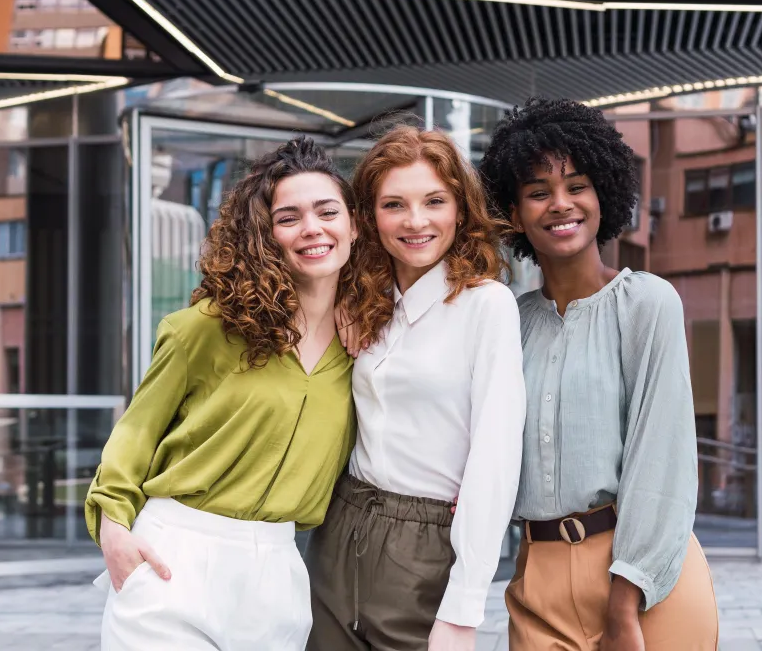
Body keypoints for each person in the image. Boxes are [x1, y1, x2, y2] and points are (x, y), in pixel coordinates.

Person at [85, 138, 359, 651]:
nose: (312, 228)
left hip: (277, 573)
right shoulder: (205, 329)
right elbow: (137, 432)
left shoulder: (366, 343)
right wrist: (112, 527)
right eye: (288, 218)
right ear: (265, 234)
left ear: (354, 225)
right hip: (176, 556)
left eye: (327, 212)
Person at [478, 98, 719, 651]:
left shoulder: (647, 304)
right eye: (538, 191)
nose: (560, 204)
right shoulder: (507, 322)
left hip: (643, 581)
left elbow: (662, 461)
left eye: (577, 186)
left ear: (602, 194)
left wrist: (624, 601)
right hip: (537, 580)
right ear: (514, 211)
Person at [312, 123, 527, 651]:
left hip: (426, 545)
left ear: (461, 209)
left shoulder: (486, 305)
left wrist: (464, 608)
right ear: (368, 217)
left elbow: (495, 460)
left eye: (434, 201)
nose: (415, 221)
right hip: (340, 529)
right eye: (394, 205)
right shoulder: (363, 299)